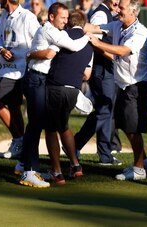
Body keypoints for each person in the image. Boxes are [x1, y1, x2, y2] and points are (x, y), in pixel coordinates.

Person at [16, 2, 91, 188]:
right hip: (36, 79)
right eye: (62, 18)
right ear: (51, 17)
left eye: (67, 18)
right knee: (35, 124)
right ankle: (29, 171)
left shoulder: (54, 30)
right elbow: (72, 46)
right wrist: (88, 37)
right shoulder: (51, 30)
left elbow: (41, 53)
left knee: (37, 123)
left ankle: (25, 165)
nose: (66, 21)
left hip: (40, 80)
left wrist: (34, 54)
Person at [87, 0, 147, 180]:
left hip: (136, 85)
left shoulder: (140, 31)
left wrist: (98, 45)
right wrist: (75, 25)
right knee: (125, 124)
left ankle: (139, 170)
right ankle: (144, 160)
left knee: (133, 128)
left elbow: (123, 51)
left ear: (133, 12)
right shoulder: (117, 24)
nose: (117, 10)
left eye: (121, 8)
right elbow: (95, 28)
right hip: (123, 84)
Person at [44, 9, 93, 185]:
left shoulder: (62, 35)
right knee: (63, 126)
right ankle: (75, 165)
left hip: (55, 87)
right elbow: (87, 74)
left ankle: (57, 172)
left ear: (69, 22)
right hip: (74, 90)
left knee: (50, 129)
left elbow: (49, 55)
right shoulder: (89, 44)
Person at [74, 0, 122, 165]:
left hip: (105, 70)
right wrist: (113, 56)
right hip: (101, 70)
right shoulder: (101, 14)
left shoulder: (108, 13)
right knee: (104, 111)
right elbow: (94, 42)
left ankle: (103, 153)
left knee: (105, 111)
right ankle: (77, 144)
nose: (117, 2)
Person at [0, 0, 40, 159]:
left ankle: (19, 140)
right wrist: (2, 50)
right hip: (6, 69)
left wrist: (30, 58)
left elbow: (39, 39)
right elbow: (0, 39)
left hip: (20, 70)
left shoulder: (28, 17)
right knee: (14, 106)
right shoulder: (5, 14)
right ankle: (19, 143)